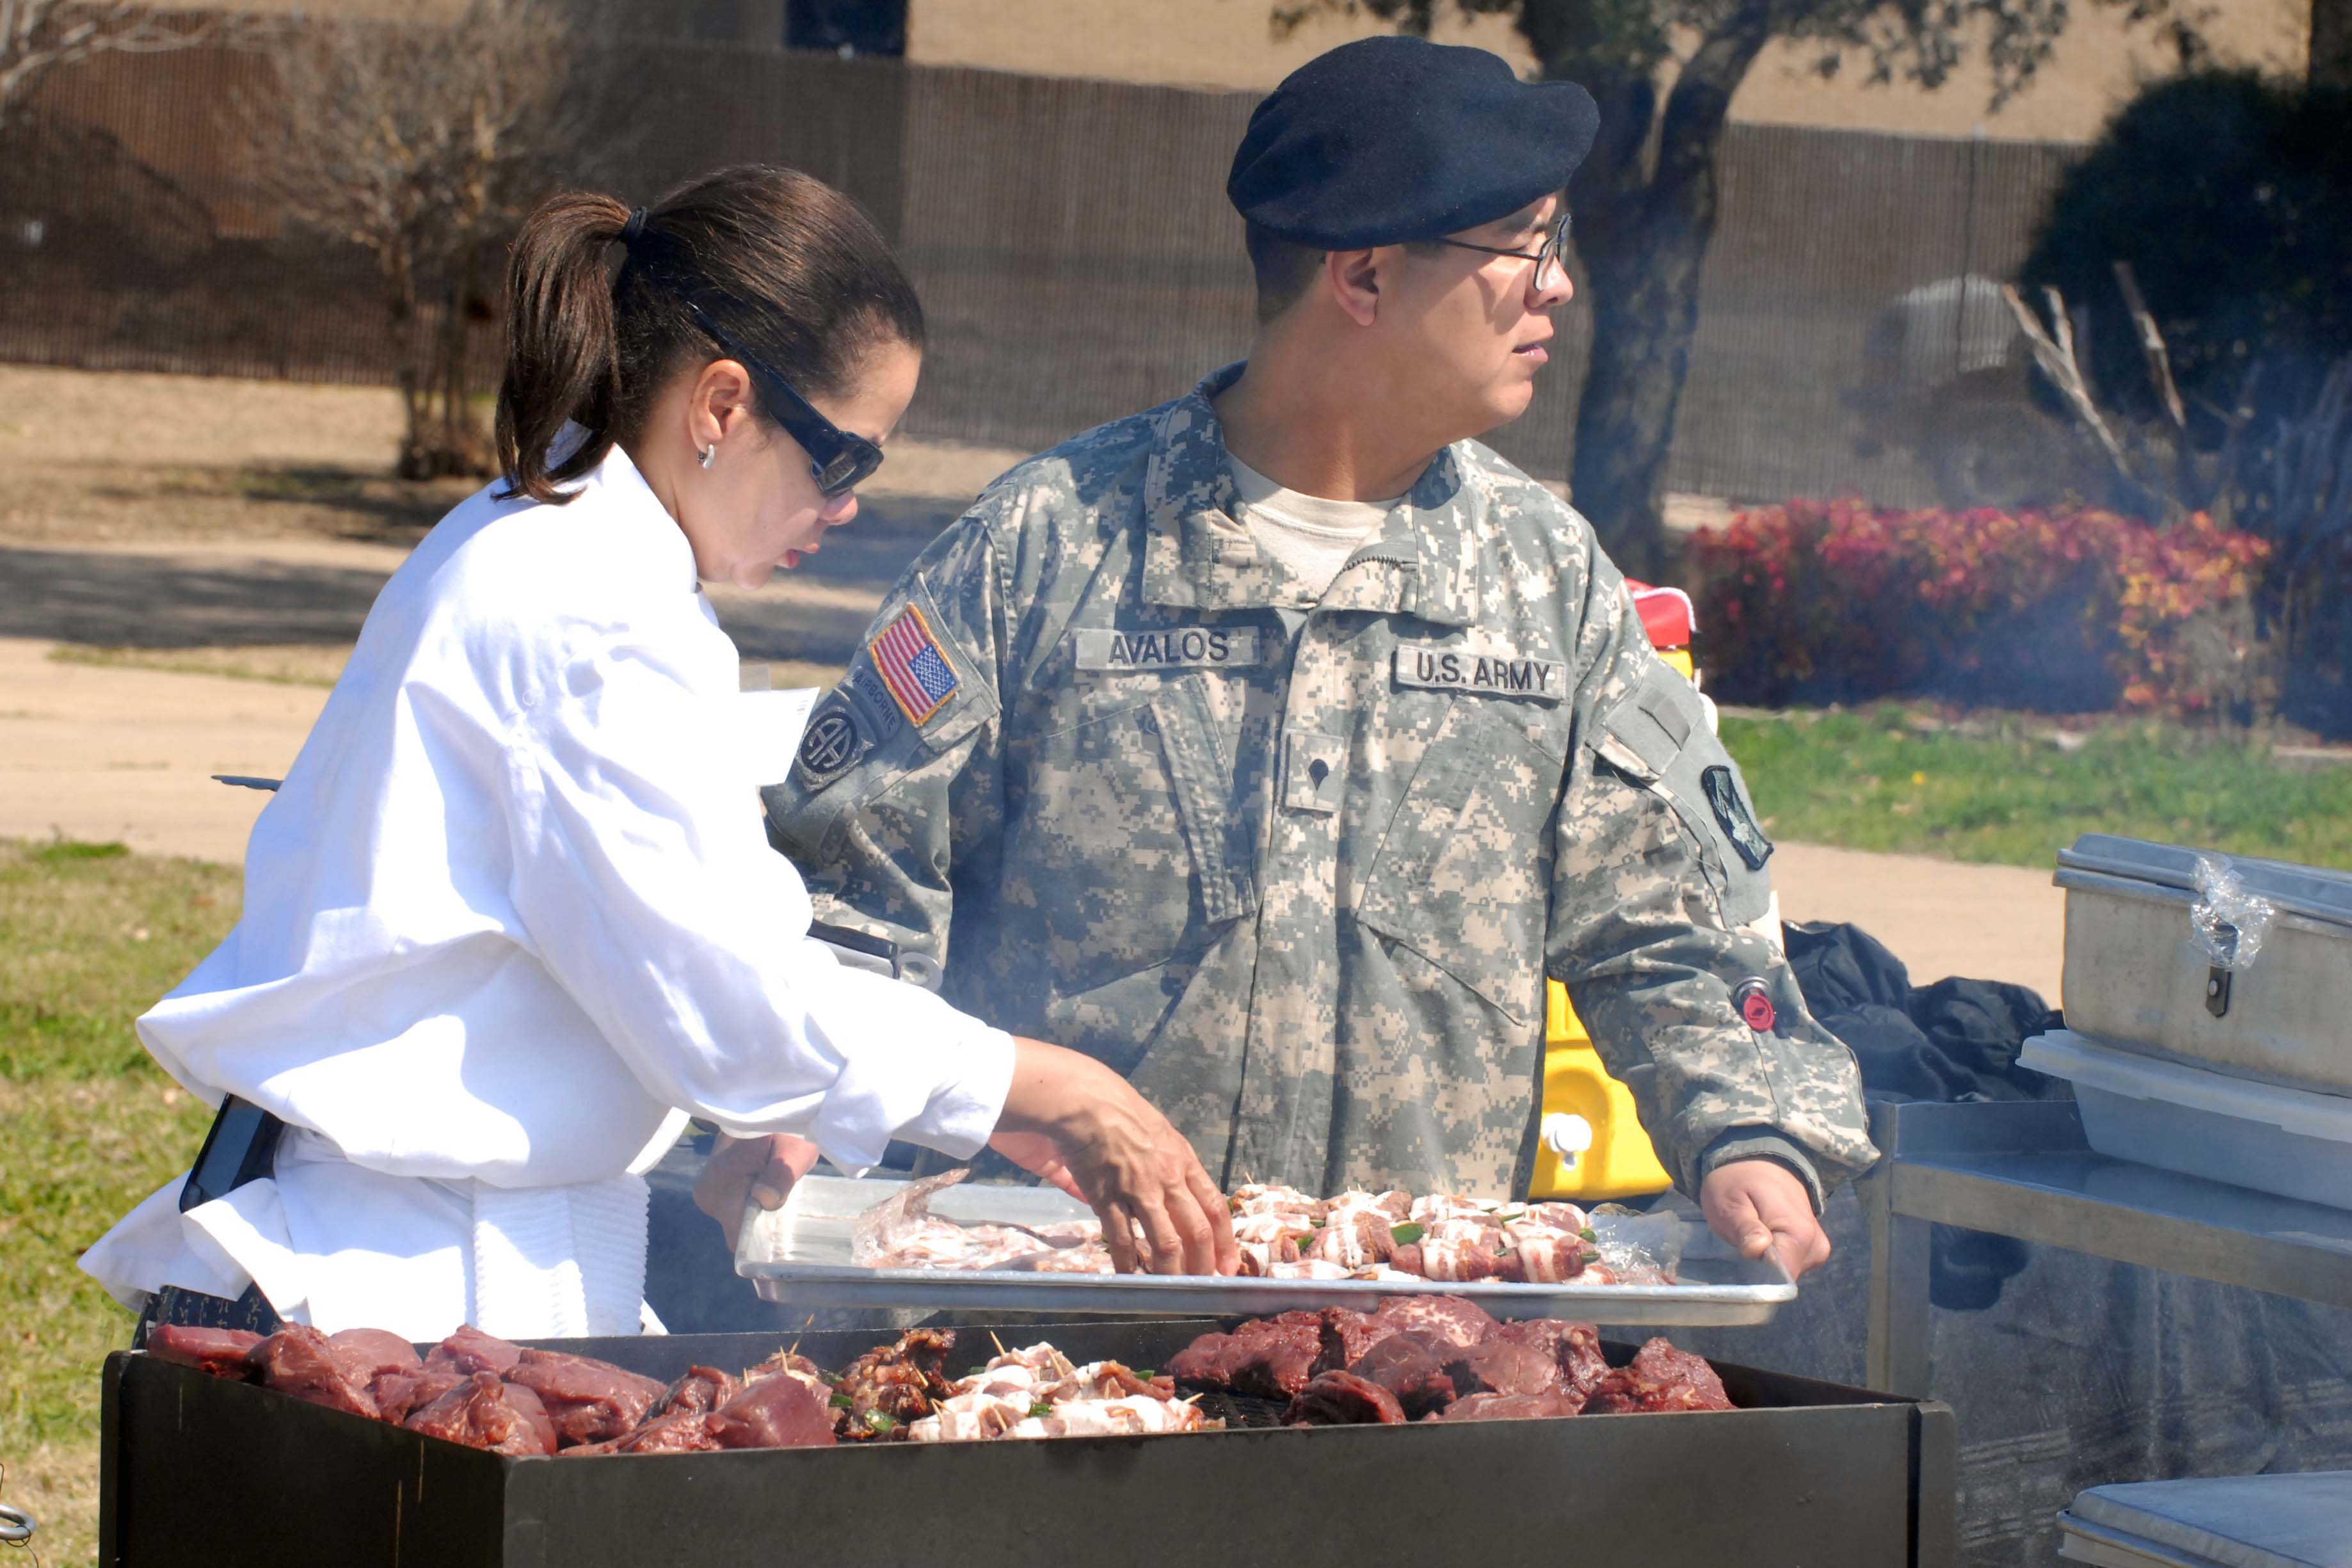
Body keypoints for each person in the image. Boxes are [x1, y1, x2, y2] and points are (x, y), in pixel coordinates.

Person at [737, 38, 1880, 1279]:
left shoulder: (1548, 587)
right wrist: (801, 1105)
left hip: (1405, 1355)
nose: (1557, 286)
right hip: (1056, 1342)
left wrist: (1745, 1130)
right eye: (1524, 245)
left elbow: (1669, 929)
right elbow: (850, 876)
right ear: (1364, 277)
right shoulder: (1045, 550)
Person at [81, 164, 1235, 1345]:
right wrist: (1043, 1086)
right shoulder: (591, 608)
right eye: (843, 461)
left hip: (436, 1260)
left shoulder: (555, 539)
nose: (842, 511)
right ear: (722, 405)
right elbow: (737, 1011)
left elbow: (659, 951)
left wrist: (776, 1097)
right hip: (399, 1289)